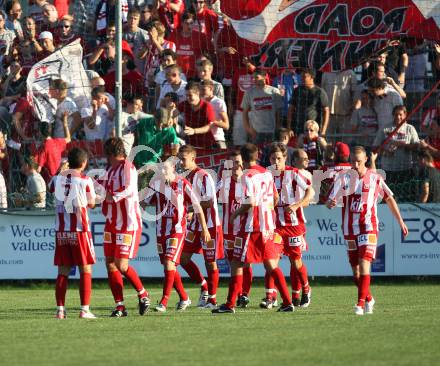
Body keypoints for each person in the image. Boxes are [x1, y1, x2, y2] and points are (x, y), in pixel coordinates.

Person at [326, 145, 408, 315]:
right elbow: (329, 201)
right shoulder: (343, 178)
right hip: (349, 228)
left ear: (365, 161)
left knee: (365, 264)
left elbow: (389, 198)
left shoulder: (375, 178)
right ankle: (369, 298)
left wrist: (400, 221)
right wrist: (331, 203)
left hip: (368, 227)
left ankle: (360, 303)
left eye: (359, 161)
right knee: (355, 272)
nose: (355, 165)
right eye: (353, 162)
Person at [212, 143, 293, 314]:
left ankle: (229, 304)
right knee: (270, 265)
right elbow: (276, 197)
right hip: (268, 226)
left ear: (243, 157)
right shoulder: (267, 173)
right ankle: (287, 302)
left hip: (251, 226)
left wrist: (235, 215)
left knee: (236, 263)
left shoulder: (246, 176)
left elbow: (251, 202)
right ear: (257, 155)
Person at [144, 155, 211, 312]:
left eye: (165, 168)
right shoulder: (155, 184)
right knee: (169, 267)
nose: (162, 171)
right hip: (161, 232)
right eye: (160, 169)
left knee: (169, 263)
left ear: (173, 169)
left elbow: (197, 207)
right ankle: (184, 297)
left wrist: (205, 229)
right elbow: (144, 201)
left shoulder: (183, 183)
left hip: (177, 230)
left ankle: (164, 302)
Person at [101, 137, 151, 317]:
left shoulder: (128, 167)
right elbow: (102, 187)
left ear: (111, 153)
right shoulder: (110, 170)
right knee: (110, 264)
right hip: (111, 223)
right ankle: (120, 306)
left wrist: (111, 196)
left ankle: (143, 294)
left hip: (127, 224)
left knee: (122, 265)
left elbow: (130, 190)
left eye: (106, 154)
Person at [261, 142, 313, 309]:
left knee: (295, 262)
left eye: (279, 158)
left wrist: (297, 205)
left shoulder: (294, 173)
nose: (276, 161)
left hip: (294, 225)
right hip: (274, 226)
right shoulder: (266, 175)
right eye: (273, 158)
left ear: (285, 158)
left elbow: (310, 192)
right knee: (271, 259)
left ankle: (305, 289)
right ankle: (270, 296)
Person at [51, 147, 97, 319]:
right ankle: (84, 310)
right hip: (80, 230)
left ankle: (60, 311)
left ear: (68, 162)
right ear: (84, 163)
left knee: (62, 270)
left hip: (61, 232)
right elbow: (91, 203)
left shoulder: (57, 179)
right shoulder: (85, 180)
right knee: (85, 269)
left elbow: (50, 187)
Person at [178, 145, 223, 308]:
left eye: (183, 158)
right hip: (194, 225)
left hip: (209, 225)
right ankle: (204, 287)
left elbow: (209, 201)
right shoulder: (185, 177)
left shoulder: (204, 176)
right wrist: (189, 212)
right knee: (182, 258)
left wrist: (189, 209)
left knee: (210, 262)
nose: (181, 162)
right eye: (179, 158)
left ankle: (212, 299)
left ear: (192, 158)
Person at [373, 105, 420, 184]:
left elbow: (417, 146)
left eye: (400, 115)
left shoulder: (410, 129)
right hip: (387, 169)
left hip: (405, 168)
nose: (398, 117)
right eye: (396, 115)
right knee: (388, 195)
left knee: (404, 194)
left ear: (405, 115)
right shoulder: (385, 128)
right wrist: (385, 151)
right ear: (392, 115)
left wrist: (403, 145)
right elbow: (375, 147)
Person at [241, 68, 283, 144]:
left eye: (256, 77)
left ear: (264, 77)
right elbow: (244, 112)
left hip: (271, 131)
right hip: (256, 132)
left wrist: (277, 128)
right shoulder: (249, 92)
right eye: (252, 78)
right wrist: (248, 129)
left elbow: (278, 113)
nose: (254, 80)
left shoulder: (274, 91)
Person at [287, 68, 330, 136]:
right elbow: (290, 109)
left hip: (314, 128)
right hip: (299, 128)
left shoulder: (320, 92)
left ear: (312, 77)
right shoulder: (297, 91)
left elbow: (326, 111)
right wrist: (289, 128)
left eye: (304, 77)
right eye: (301, 77)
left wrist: (324, 130)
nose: (302, 79)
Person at [179, 81, 216, 149]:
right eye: (186, 95)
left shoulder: (206, 106)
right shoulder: (184, 104)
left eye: (190, 95)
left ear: (198, 93)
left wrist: (194, 131)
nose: (187, 98)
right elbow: (174, 113)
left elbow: (210, 126)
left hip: (206, 144)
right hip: (190, 144)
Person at [200, 79, 228, 149]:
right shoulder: (199, 102)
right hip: (202, 140)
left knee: (223, 159)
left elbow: (226, 125)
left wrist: (212, 121)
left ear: (211, 89)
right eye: (200, 90)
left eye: (204, 89)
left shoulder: (219, 102)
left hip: (217, 139)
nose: (201, 92)